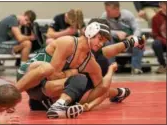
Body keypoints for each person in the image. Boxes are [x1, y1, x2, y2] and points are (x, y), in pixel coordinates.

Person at [16, 18, 145, 119]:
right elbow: (52, 74)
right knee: (49, 69)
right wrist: (73, 72)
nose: (100, 43)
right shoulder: (69, 43)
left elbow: (101, 89)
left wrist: (88, 106)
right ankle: (10, 95)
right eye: (99, 39)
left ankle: (58, 105)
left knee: (82, 86)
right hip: (29, 76)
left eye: (103, 41)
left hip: (43, 92)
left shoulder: (91, 58)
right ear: (89, 31)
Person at [101, 1, 144, 74]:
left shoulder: (128, 15)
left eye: (108, 10)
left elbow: (137, 28)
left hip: (129, 42)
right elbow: (102, 30)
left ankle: (136, 68)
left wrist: (134, 37)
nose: (107, 12)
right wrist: (116, 33)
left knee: (139, 40)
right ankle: (111, 68)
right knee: (107, 40)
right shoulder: (104, 16)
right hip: (115, 43)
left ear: (117, 9)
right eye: (106, 10)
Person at [152, 2, 167, 74]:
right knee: (156, 43)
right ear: (161, 5)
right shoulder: (156, 17)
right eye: (165, 3)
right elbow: (155, 35)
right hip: (163, 43)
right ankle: (163, 65)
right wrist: (164, 41)